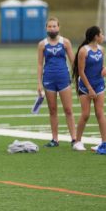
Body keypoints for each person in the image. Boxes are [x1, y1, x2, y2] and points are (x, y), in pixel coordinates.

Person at [37, 17, 77, 148]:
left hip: (63, 79)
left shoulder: (65, 42)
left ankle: (74, 139)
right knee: (52, 110)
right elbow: (39, 64)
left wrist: (78, 77)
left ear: (59, 28)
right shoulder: (42, 44)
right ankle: (55, 139)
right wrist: (39, 83)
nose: (52, 28)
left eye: (54, 26)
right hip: (48, 79)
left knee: (68, 110)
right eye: (50, 26)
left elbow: (73, 61)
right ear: (46, 28)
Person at [71, 26, 106, 151]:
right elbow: (81, 72)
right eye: (101, 34)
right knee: (85, 114)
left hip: (99, 85)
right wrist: (90, 89)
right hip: (86, 86)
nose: (103, 36)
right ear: (95, 36)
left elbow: (102, 65)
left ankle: (104, 142)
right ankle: (77, 141)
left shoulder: (102, 50)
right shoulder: (84, 51)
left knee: (100, 113)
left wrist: (104, 69)